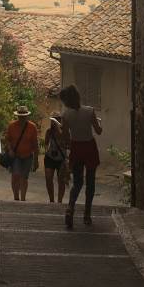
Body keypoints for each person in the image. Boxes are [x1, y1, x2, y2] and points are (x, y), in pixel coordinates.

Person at [59, 84, 102, 228]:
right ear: (77, 96)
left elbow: (65, 137)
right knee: (91, 182)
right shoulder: (89, 111)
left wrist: (69, 147)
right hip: (89, 147)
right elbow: (99, 131)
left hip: (76, 148)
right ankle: (87, 215)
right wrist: (98, 124)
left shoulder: (66, 115)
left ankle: (70, 208)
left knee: (77, 183)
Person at [3, 105, 39, 201]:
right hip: (16, 156)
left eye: (24, 116)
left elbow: (35, 144)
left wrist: (36, 160)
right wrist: (10, 150)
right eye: (20, 116)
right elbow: (7, 140)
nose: (22, 118)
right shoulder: (12, 126)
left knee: (24, 177)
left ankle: (23, 199)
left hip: (28, 156)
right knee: (15, 175)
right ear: (17, 116)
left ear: (27, 116)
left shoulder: (32, 127)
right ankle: (16, 197)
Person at [43, 114, 69, 203]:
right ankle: (51, 200)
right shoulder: (49, 131)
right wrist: (47, 149)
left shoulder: (65, 131)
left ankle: (59, 201)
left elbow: (67, 143)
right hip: (50, 157)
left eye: (57, 120)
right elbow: (46, 143)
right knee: (48, 178)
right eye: (54, 120)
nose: (55, 122)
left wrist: (58, 129)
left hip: (61, 159)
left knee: (61, 181)